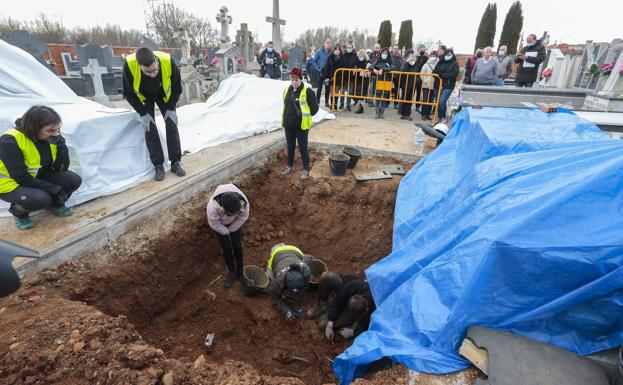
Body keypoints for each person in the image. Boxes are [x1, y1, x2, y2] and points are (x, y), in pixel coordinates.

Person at [0, 106, 82, 230]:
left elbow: (61, 169)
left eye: (57, 129)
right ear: (34, 128)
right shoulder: (9, 140)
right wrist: (54, 189)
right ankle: (19, 212)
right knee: (40, 199)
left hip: (35, 176)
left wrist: (62, 148)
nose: (55, 133)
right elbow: (21, 178)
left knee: (73, 180)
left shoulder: (50, 136)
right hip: (10, 183)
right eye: (50, 130)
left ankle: (54, 205)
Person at [122, 47, 185, 181]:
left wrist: (171, 107)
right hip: (144, 97)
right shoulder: (129, 65)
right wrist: (143, 113)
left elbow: (177, 88)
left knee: (171, 125)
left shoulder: (168, 61)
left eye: (155, 70)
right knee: (149, 129)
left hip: (164, 95)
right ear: (139, 66)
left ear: (156, 61)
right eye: (147, 72)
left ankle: (175, 162)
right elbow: (128, 93)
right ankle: (158, 165)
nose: (152, 75)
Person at [307, 271, 375, 340]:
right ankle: (322, 304)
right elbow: (338, 301)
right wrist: (330, 323)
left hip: (360, 313)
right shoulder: (354, 286)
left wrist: (353, 332)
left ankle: (352, 324)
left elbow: (371, 327)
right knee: (326, 276)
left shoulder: (375, 307)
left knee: (322, 324)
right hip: (344, 288)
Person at [207, 184, 249, 288]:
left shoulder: (242, 202)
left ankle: (240, 269)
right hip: (220, 225)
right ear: (223, 209)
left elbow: (243, 217)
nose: (235, 213)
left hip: (235, 223)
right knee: (226, 248)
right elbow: (214, 224)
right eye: (231, 213)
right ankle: (232, 272)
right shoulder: (212, 207)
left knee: (237, 245)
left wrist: (232, 229)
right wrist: (226, 231)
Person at [280, 67, 319, 181]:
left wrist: (304, 113)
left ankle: (306, 169)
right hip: (289, 125)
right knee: (290, 147)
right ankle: (290, 166)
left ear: (301, 79)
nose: (294, 82)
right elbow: (285, 106)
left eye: (296, 80)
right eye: (292, 79)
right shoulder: (287, 90)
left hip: (301, 126)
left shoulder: (307, 91)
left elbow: (315, 108)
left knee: (302, 148)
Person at [266, 243, 311, 323]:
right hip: (277, 253)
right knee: (268, 278)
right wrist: (286, 310)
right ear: (285, 284)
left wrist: (297, 305)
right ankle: (275, 249)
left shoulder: (306, 271)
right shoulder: (278, 281)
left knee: (308, 259)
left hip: (295, 250)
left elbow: (303, 290)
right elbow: (274, 298)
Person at [433, 45, 459, 123]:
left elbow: (454, 74)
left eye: (450, 54)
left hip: (448, 86)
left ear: (453, 55)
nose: (448, 56)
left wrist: (443, 75)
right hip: (438, 85)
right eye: (447, 54)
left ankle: (443, 116)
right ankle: (439, 117)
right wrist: (439, 74)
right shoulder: (440, 62)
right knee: (438, 102)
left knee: (442, 101)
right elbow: (434, 72)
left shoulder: (454, 63)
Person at [372, 48, 393, 119]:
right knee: (378, 97)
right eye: (383, 53)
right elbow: (370, 67)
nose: (384, 54)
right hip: (379, 81)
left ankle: (381, 113)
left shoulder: (390, 61)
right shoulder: (378, 61)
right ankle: (377, 113)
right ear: (381, 54)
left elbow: (392, 68)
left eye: (386, 53)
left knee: (384, 97)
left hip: (387, 81)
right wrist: (373, 69)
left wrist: (383, 69)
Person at [312, 39, 333, 108]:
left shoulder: (331, 53)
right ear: (324, 44)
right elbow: (314, 61)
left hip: (327, 74)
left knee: (327, 89)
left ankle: (326, 103)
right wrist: (318, 68)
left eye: (330, 43)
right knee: (319, 88)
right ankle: (317, 102)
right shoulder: (319, 52)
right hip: (321, 72)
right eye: (327, 43)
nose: (328, 44)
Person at [398, 53, 419, 120]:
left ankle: (407, 114)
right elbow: (403, 71)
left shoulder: (416, 65)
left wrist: (417, 81)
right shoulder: (406, 64)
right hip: (405, 85)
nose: (412, 58)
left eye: (413, 57)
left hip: (413, 86)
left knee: (410, 100)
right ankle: (404, 114)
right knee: (405, 99)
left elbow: (418, 74)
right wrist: (407, 62)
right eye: (411, 56)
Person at [420, 52, 439, 121]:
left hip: (434, 86)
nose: (433, 57)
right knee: (425, 100)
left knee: (431, 100)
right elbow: (421, 74)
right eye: (432, 55)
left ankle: (428, 114)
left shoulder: (437, 65)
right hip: (426, 85)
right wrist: (425, 80)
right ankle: (423, 114)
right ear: (430, 56)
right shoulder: (426, 65)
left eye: (435, 56)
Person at [324, 45, 344, 110]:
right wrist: (327, 76)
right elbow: (327, 67)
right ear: (334, 50)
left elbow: (342, 67)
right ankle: (332, 103)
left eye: (338, 50)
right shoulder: (330, 57)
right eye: (336, 49)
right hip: (331, 76)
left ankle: (335, 104)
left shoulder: (341, 58)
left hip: (338, 77)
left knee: (336, 91)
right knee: (332, 91)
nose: (337, 51)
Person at [341, 42, 359, 111]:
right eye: (347, 47)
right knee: (342, 91)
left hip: (351, 77)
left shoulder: (355, 56)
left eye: (350, 47)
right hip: (343, 76)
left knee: (350, 92)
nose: (349, 49)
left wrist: (356, 68)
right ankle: (341, 104)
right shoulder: (343, 55)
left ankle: (348, 105)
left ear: (352, 48)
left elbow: (357, 64)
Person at [352, 49, 370, 114]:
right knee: (357, 92)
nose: (361, 57)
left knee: (362, 93)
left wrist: (362, 70)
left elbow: (369, 69)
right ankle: (359, 104)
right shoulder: (357, 60)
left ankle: (361, 107)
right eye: (360, 55)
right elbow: (354, 67)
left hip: (364, 79)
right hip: (357, 79)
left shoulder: (368, 61)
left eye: (362, 55)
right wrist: (355, 69)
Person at [414, 46, 429, 111]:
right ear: (419, 50)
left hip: (422, 78)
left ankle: (418, 106)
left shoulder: (427, 59)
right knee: (412, 92)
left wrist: (426, 57)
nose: (422, 51)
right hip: (415, 76)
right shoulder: (417, 58)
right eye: (421, 50)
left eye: (424, 50)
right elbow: (418, 66)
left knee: (419, 93)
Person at [390, 44, 404, 109]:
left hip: (397, 76)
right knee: (388, 88)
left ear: (398, 50)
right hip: (389, 75)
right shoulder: (389, 56)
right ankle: (387, 102)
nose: (395, 50)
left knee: (396, 90)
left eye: (396, 49)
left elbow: (402, 65)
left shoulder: (400, 57)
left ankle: (396, 103)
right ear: (392, 49)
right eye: (394, 48)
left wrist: (400, 70)